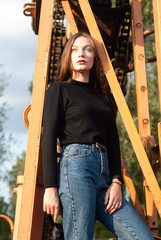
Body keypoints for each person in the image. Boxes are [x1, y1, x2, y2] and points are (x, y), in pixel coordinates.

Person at [42, 32, 154, 240]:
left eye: (88, 49)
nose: (81, 54)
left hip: (105, 175)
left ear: (95, 57)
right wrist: (50, 187)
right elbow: (48, 139)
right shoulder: (59, 90)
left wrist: (116, 182)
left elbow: (113, 143)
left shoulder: (104, 99)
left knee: (141, 237)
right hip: (76, 168)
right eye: (75, 50)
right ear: (68, 56)